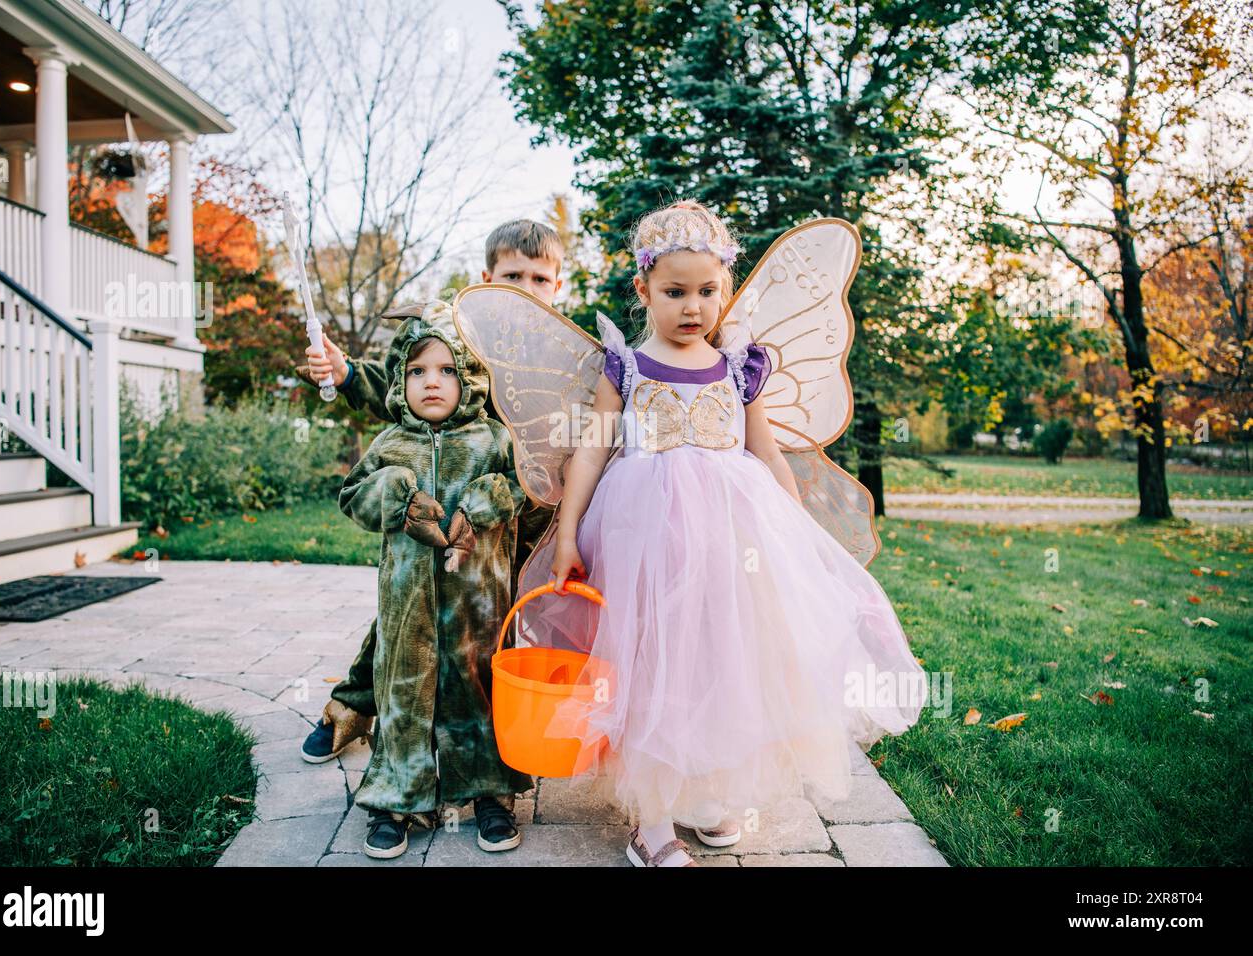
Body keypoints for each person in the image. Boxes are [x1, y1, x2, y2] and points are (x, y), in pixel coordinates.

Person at [516, 200, 927, 866]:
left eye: (708, 291)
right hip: (645, 542)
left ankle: (712, 796)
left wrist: (798, 532)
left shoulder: (740, 367)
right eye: (675, 291)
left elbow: (765, 453)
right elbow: (591, 452)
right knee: (651, 662)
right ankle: (650, 818)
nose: (692, 306)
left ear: (726, 290)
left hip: (736, 543)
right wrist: (567, 536)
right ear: (643, 289)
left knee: (729, 657)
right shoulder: (626, 367)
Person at [298, 221, 565, 771]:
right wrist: (348, 373)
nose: (526, 287)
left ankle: (492, 750)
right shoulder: (460, 332)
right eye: (513, 275)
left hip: (523, 517)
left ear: (557, 286)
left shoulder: (561, 354)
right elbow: (406, 383)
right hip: (444, 504)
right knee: (415, 610)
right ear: (486, 279)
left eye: (540, 278)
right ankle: (355, 706)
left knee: (487, 631)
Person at [338, 302, 533, 858]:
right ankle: (399, 798)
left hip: (480, 605)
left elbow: (529, 486)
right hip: (407, 606)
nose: (432, 382)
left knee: (480, 688)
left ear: (470, 377)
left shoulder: (494, 440)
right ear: (400, 378)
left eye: (448, 370)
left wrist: (493, 496)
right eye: (418, 370)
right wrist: (396, 491)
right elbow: (352, 495)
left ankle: (491, 794)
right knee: (404, 693)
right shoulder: (390, 444)